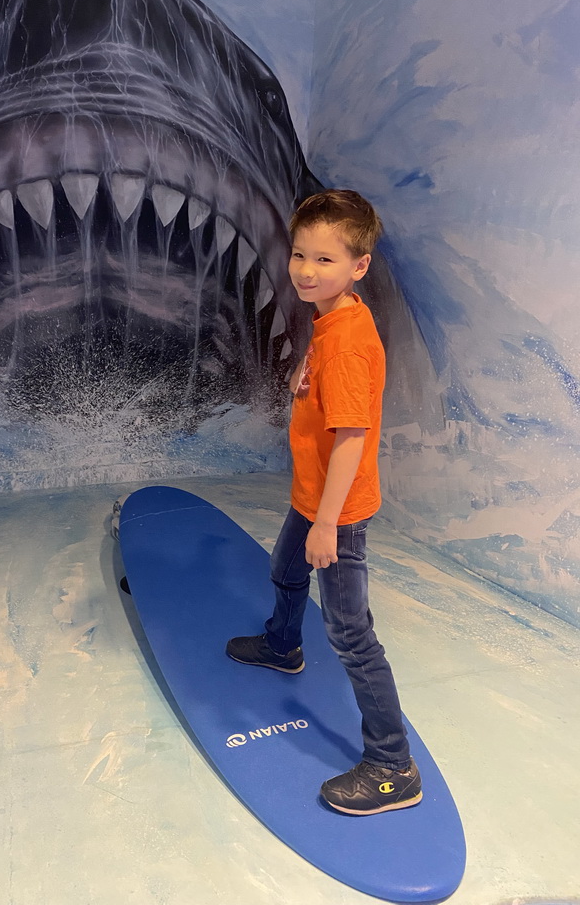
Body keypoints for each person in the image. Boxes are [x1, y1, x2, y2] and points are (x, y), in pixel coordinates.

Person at [226, 189, 422, 816]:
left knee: (351, 633)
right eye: (301, 255)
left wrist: (328, 524)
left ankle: (393, 766)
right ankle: (284, 646)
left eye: (325, 261)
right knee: (284, 573)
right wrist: (302, 374)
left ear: (359, 265)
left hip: (336, 507)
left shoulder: (347, 343)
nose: (306, 271)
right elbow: (334, 383)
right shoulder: (339, 318)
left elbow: (353, 438)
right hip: (312, 494)